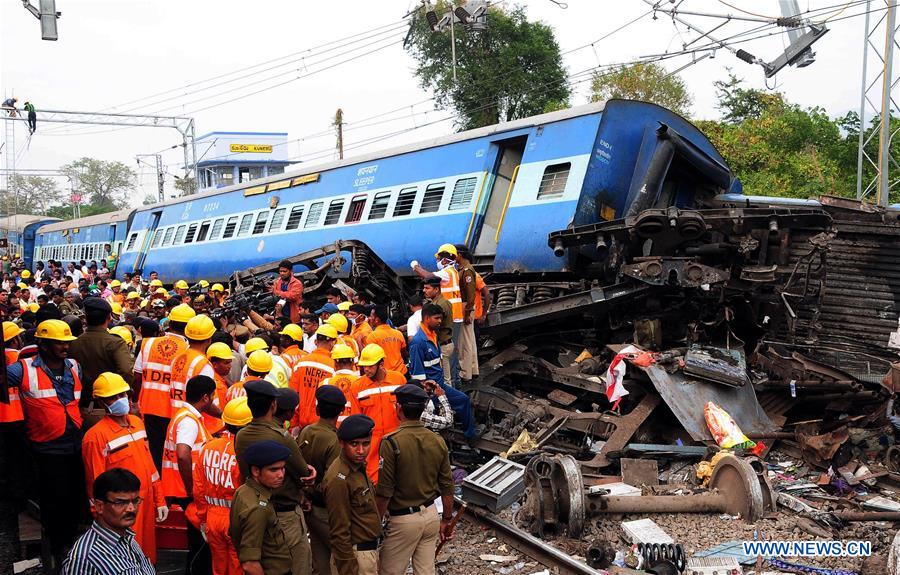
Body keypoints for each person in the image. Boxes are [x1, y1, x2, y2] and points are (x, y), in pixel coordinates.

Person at [10, 319, 86, 570]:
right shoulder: (22, 370)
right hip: (46, 448)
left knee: (75, 497)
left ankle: (73, 541)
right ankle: (58, 545)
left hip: (74, 444)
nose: (65, 347)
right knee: (54, 500)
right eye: (58, 343)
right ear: (42, 344)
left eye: (66, 343)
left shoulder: (75, 366)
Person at [81, 373, 167, 563]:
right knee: (124, 559)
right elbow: (95, 482)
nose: (120, 400)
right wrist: (101, 518)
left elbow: (149, 465)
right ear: (102, 402)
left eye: (123, 395)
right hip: (120, 510)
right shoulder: (95, 437)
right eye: (113, 397)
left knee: (146, 556)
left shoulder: (137, 423)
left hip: (144, 504)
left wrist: (160, 499)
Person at [234, 380, 314, 575]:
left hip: (256, 505)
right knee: (297, 565)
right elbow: (304, 473)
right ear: (273, 405)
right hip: (284, 514)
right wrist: (310, 474)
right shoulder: (281, 437)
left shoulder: (241, 435)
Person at [375, 385, 456, 575]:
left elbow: (384, 491)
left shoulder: (391, 442)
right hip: (430, 515)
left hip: (403, 520)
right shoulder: (437, 440)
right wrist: (446, 519)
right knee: (426, 571)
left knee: (389, 571)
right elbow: (447, 485)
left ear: (399, 409)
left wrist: (375, 524)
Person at [162, 375, 215, 575]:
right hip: (187, 491)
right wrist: (192, 488)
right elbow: (183, 455)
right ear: (205, 398)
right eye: (212, 396)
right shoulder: (189, 421)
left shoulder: (184, 415)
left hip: (183, 488)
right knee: (199, 546)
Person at [133, 303, 195, 470]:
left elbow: (137, 377)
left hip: (149, 407)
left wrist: (135, 402)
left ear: (170, 322)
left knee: (154, 455)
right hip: (175, 410)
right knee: (172, 459)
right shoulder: (190, 350)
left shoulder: (148, 344)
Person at [62, 468, 156, 575]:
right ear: (99, 506)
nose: (131, 508)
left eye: (135, 501)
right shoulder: (84, 558)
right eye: (120, 502)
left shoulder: (128, 538)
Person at [193, 397, 250, 575]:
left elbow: (199, 489)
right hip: (236, 519)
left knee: (218, 569)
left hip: (212, 518)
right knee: (237, 568)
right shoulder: (245, 452)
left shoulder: (207, 448)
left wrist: (203, 520)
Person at [323, 414, 381, 575]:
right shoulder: (340, 478)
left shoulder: (357, 467)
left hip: (366, 553)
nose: (361, 451)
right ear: (341, 443)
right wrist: (348, 569)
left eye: (366, 444)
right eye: (354, 444)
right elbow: (339, 532)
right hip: (356, 557)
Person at [297, 385, 344, 575]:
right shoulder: (335, 440)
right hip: (326, 510)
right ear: (340, 411)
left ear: (317, 409)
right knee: (344, 557)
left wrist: (304, 494)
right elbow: (333, 483)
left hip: (308, 505)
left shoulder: (307, 431)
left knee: (320, 562)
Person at [68, 297, 135, 428]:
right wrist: (122, 394)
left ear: (86, 319)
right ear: (109, 317)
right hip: (110, 408)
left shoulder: (74, 343)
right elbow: (126, 371)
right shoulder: (115, 342)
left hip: (81, 407)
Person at [229, 440, 293, 575]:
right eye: (273, 470)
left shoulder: (244, 491)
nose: (281, 475)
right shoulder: (258, 509)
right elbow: (250, 564)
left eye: (282, 468)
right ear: (256, 471)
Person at [349, 344, 405, 482]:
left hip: (396, 440)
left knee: (400, 476)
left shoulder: (399, 380)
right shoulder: (357, 386)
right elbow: (356, 419)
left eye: (370, 366)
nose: (365, 369)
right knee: (372, 480)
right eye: (363, 366)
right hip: (371, 444)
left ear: (381, 363)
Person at [413, 244, 464, 386]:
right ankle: (455, 382)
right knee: (452, 353)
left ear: (447, 259)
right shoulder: (453, 272)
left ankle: (454, 385)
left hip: (449, 317)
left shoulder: (448, 272)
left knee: (449, 357)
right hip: (454, 314)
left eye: (440, 258)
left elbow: (429, 276)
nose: (438, 261)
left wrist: (416, 267)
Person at [170, 314, 219, 432]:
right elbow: (205, 399)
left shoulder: (177, 358)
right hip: (200, 424)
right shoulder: (203, 364)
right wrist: (222, 415)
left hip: (178, 417)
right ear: (209, 339)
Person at [290, 324, 336, 430]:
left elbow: (293, 394)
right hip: (322, 424)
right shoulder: (333, 366)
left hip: (300, 422)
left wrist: (293, 425)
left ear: (316, 342)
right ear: (333, 342)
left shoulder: (300, 363)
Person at [452, 245, 478, 384]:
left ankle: (465, 372)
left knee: (464, 341)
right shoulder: (464, 269)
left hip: (465, 306)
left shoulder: (466, 271)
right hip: (467, 306)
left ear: (459, 255)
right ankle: (472, 369)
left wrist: (467, 312)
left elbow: (470, 294)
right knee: (470, 339)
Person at [422, 277, 454, 388]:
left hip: (443, 344)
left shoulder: (439, 306)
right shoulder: (444, 301)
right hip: (447, 343)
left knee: (446, 381)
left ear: (436, 289)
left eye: (427, 288)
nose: (424, 290)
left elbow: (433, 326)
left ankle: (449, 403)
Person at [321, 344, 358, 424]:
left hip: (331, 429)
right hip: (355, 428)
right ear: (352, 363)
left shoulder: (325, 383)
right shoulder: (361, 382)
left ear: (335, 364)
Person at [366, 304, 407, 375]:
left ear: (377, 320)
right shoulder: (398, 334)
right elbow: (404, 353)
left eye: (371, 316)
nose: (369, 318)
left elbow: (370, 358)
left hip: (386, 376)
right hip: (402, 373)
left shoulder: (372, 336)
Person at [272, 259, 304, 324]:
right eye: (280, 271)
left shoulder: (297, 283)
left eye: (284, 271)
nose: (282, 273)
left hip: (294, 318)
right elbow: (274, 295)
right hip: (280, 316)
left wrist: (278, 293)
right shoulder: (277, 282)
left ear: (291, 271)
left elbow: (292, 296)